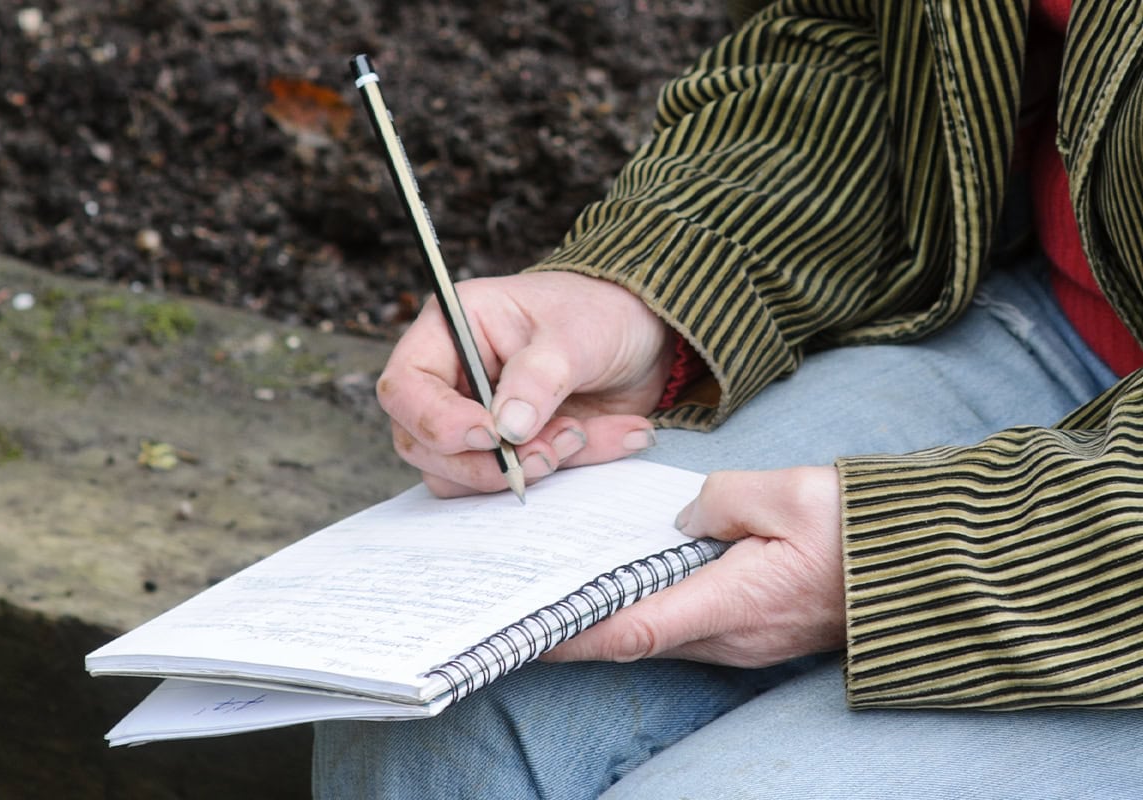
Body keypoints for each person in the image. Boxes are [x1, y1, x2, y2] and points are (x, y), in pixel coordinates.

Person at [315, 1, 1143, 797]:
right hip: (1065, 320)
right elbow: (871, 44)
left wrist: (929, 557)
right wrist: (658, 282)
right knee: (437, 697)